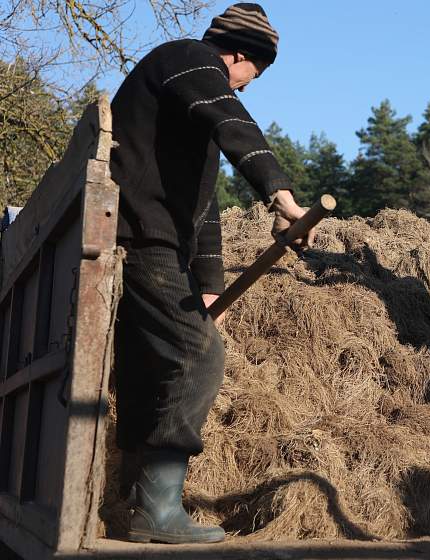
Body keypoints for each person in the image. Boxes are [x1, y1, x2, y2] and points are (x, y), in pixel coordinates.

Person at [110, 3, 309, 544]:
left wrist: (211, 284)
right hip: (140, 236)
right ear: (242, 54)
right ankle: (156, 511)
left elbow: (202, 202)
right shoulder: (190, 59)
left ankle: (133, 506)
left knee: (148, 368)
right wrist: (281, 195)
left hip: (158, 240)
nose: (245, 88)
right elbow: (232, 122)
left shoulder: (185, 98)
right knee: (199, 355)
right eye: (254, 74)